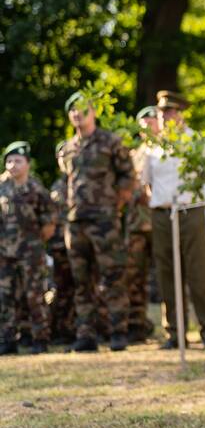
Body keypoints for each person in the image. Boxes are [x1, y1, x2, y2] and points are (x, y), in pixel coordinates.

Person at [58, 92, 134, 352]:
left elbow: (127, 177)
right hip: (76, 220)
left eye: (82, 109)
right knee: (81, 281)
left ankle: (118, 332)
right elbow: (67, 181)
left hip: (104, 220)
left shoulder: (111, 142)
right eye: (73, 110)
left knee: (112, 276)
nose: (78, 113)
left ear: (93, 112)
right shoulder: (66, 148)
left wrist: (115, 206)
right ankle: (86, 334)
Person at [142, 90, 205, 349]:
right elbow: (146, 184)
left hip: (191, 211)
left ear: (180, 114)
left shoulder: (195, 140)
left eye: (170, 111)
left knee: (199, 272)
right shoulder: (152, 146)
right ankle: (174, 332)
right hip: (162, 213)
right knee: (166, 273)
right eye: (162, 112)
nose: (164, 116)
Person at [0, 142, 56, 355]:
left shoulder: (37, 189)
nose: (13, 165)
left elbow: (49, 222)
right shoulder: (1, 187)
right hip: (5, 254)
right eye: (9, 161)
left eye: (18, 161)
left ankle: (40, 339)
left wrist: (35, 243)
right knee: (6, 296)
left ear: (28, 164)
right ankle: (7, 339)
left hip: (31, 253)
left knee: (34, 296)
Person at [125, 106, 159, 343]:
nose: (148, 126)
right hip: (137, 225)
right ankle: (136, 325)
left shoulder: (167, 151)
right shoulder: (132, 155)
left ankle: (175, 327)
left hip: (160, 223)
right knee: (134, 277)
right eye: (143, 122)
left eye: (152, 121)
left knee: (167, 277)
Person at [47, 143, 76, 346]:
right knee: (62, 289)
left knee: (84, 287)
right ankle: (62, 329)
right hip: (60, 248)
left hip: (81, 244)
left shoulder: (85, 183)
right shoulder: (56, 187)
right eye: (60, 155)